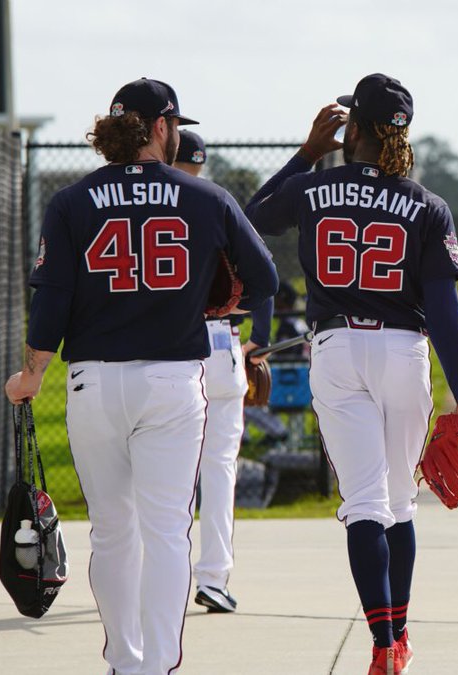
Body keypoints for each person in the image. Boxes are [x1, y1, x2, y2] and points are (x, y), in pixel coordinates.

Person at [4, 78, 278, 675]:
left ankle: (125, 664)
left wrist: (31, 375)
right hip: (172, 383)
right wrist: (206, 302)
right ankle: (157, 666)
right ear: (162, 128)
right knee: (166, 532)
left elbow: (50, 302)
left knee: (111, 532)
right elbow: (264, 280)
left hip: (93, 385)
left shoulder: (71, 201)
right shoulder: (206, 198)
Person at [245, 73, 458, 675]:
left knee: (365, 502)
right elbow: (445, 309)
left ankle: (380, 645)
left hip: (337, 349)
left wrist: (306, 154)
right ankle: (398, 638)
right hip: (403, 351)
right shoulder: (425, 203)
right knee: (400, 503)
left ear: (352, 128)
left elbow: (249, 223)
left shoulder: (314, 187)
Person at [171, 128, 275, 613]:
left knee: (160, 470)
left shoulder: (145, 206)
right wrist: (262, 336)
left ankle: (160, 571)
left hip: (163, 348)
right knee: (218, 469)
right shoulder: (213, 203)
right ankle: (213, 577)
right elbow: (265, 277)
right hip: (220, 344)